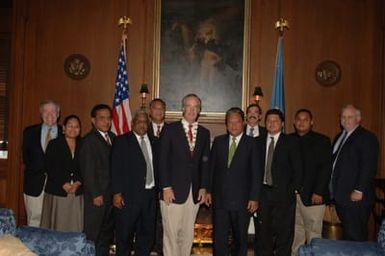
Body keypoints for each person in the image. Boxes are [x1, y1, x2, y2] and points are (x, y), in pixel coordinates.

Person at [159, 93, 210, 256]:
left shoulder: (204, 133)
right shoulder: (169, 130)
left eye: (196, 107)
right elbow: (162, 160)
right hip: (172, 192)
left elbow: (205, 163)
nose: (192, 110)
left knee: (187, 235)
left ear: (199, 111)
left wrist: (203, 187)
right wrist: (166, 187)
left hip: (193, 193)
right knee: (171, 235)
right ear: (182, 108)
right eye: (188, 106)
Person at [207, 107, 261, 256]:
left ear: (243, 123)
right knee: (219, 239)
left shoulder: (251, 143)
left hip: (242, 201)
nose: (234, 125)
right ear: (226, 124)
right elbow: (211, 169)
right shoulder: (218, 142)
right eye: (230, 122)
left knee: (240, 240)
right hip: (220, 201)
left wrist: (254, 197)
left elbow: (256, 173)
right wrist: (208, 191)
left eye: (237, 122)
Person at [256, 109, 302, 256]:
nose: (271, 123)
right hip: (263, 194)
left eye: (275, 121)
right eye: (269, 120)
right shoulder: (258, 142)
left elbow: (299, 170)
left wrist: (291, 190)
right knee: (264, 233)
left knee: (284, 234)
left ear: (282, 124)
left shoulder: (291, 142)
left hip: (284, 195)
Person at [331, 104, 379, 241]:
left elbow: (368, 166)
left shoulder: (367, 137)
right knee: (348, 235)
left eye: (350, 117)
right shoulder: (340, 136)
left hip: (356, 198)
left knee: (355, 237)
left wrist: (359, 190)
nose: (346, 120)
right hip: (342, 196)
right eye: (343, 117)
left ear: (358, 119)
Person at [111, 110, 157, 256]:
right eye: (139, 122)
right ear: (132, 124)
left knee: (147, 235)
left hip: (150, 196)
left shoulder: (155, 141)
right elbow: (115, 168)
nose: (142, 125)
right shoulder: (121, 141)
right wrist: (117, 193)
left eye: (145, 122)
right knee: (125, 236)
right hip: (128, 196)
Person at [290, 109, 332, 255]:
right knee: (296, 231)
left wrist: (319, 191)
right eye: (299, 119)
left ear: (312, 122)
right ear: (294, 122)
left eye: (305, 119)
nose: (301, 122)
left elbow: (326, 168)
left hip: (314, 196)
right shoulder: (288, 140)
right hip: (293, 197)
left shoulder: (322, 141)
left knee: (313, 233)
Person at [80, 104, 115, 256]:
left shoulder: (113, 138)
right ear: (93, 120)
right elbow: (88, 170)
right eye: (102, 118)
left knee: (106, 236)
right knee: (93, 235)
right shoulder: (89, 141)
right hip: (97, 198)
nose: (106, 122)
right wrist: (95, 194)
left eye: (108, 118)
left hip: (111, 197)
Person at [40, 114, 83, 232]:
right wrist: (64, 183)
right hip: (58, 190)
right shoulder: (54, 144)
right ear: (63, 128)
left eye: (76, 127)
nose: (73, 129)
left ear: (80, 129)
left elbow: (87, 167)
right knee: (57, 227)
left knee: (75, 226)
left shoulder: (84, 144)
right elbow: (50, 167)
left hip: (77, 191)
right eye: (70, 126)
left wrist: (78, 182)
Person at [22, 99, 61, 227]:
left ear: (58, 113)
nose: (49, 114)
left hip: (58, 186)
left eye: (53, 111)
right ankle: (33, 247)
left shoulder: (66, 133)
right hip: (34, 184)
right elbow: (25, 157)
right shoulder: (29, 132)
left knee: (55, 222)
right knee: (34, 220)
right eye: (46, 111)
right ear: (41, 113)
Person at [148, 98, 167, 255]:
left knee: (164, 218)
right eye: (155, 108)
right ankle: (149, 246)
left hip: (166, 183)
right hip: (147, 183)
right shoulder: (142, 129)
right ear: (150, 111)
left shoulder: (172, 130)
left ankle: (161, 248)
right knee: (149, 216)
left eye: (161, 109)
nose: (159, 111)